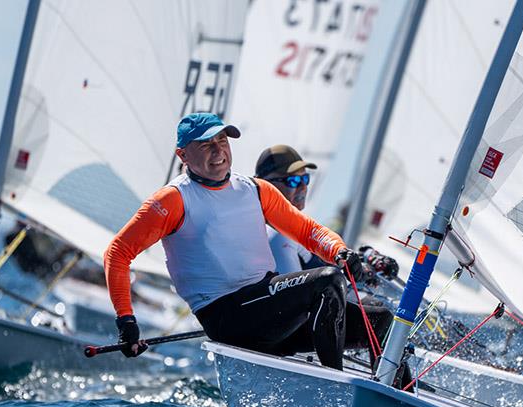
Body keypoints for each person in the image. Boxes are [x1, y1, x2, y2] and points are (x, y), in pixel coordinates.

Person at [104, 113, 366, 371]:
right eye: (206, 144)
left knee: (379, 322)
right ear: (182, 155)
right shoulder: (172, 200)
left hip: (268, 309)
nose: (217, 150)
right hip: (227, 316)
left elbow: (308, 231)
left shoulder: (255, 189)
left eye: (221, 140)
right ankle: (335, 385)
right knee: (327, 280)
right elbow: (118, 253)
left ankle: (396, 400)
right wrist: (126, 320)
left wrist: (340, 251)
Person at [254, 145, 410, 384]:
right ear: (266, 185)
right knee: (380, 318)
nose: (303, 187)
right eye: (294, 181)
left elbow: (317, 262)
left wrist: (363, 259)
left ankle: (391, 389)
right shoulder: (276, 235)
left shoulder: (292, 231)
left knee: (378, 312)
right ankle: (388, 394)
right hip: (282, 330)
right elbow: (297, 291)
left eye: (305, 179)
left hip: (298, 320)